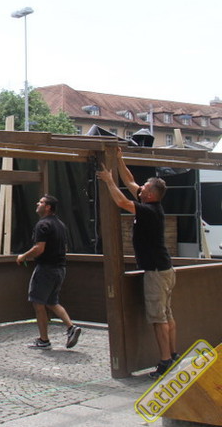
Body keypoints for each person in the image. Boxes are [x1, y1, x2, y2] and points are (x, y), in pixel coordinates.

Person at [97, 148, 175, 379]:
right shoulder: (149, 203)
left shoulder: (150, 211)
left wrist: (109, 180)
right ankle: (173, 355)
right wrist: (120, 160)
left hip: (156, 272)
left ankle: (165, 362)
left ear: (150, 194)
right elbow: (130, 181)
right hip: (164, 269)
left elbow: (121, 201)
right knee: (167, 315)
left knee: (158, 319)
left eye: (145, 188)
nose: (140, 189)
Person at [16, 194, 81, 350]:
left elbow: (39, 248)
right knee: (52, 301)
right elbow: (64, 248)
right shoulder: (60, 224)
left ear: (48, 207)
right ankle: (71, 327)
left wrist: (23, 256)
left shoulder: (43, 224)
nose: (37, 203)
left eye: (41, 202)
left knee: (38, 303)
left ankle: (44, 340)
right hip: (60, 268)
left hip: (46, 268)